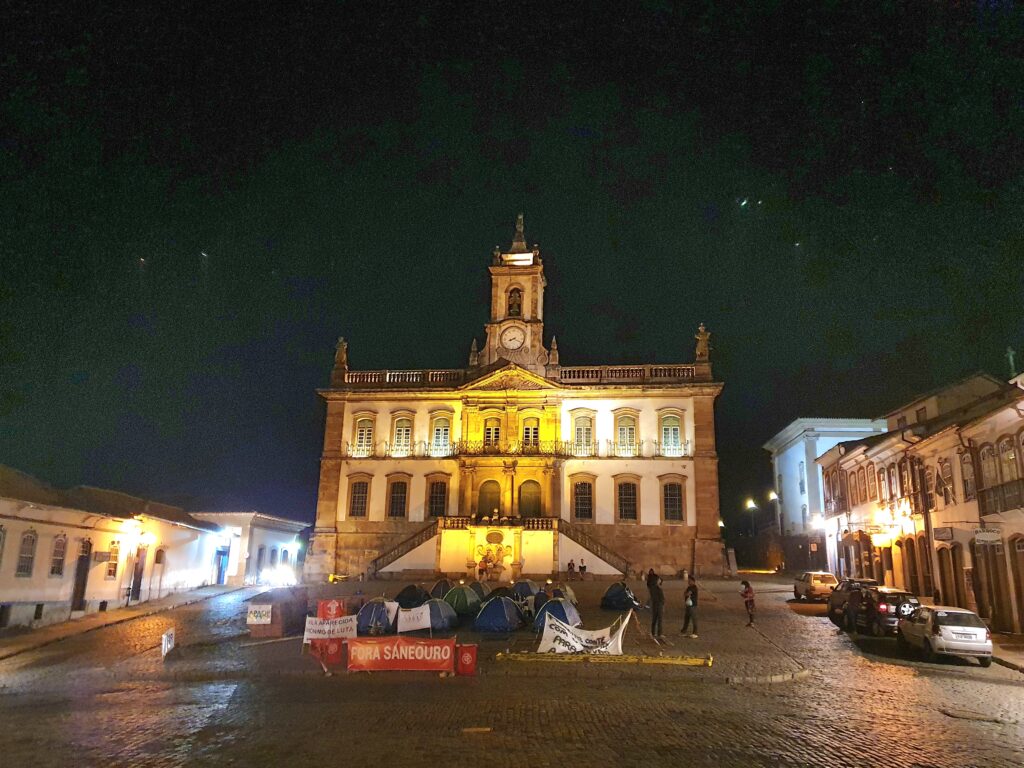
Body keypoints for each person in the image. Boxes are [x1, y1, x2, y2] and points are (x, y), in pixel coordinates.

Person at [647, 569, 665, 638]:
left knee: (654, 619)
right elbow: (662, 598)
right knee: (659, 619)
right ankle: (659, 633)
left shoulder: (652, 589)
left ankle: (653, 632)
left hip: (654, 604)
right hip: (659, 605)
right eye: (659, 580)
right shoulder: (658, 589)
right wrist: (663, 605)